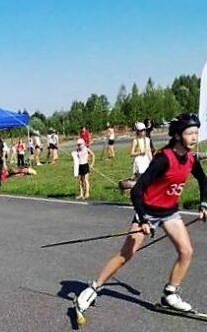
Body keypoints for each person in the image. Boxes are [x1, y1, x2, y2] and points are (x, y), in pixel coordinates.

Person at [75, 113, 207, 316]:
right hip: (148, 210)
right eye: (190, 133)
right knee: (126, 254)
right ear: (179, 135)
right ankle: (93, 288)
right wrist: (143, 218)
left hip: (170, 212)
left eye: (196, 132)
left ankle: (170, 294)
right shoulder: (164, 158)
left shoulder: (190, 158)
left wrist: (203, 204)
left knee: (186, 251)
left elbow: (203, 180)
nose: (194, 137)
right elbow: (137, 190)